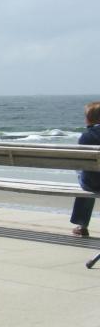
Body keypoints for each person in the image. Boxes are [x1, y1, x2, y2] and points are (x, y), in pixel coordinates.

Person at [70, 101, 100, 237]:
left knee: (85, 174)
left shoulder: (86, 137)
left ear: (88, 119)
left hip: (91, 184)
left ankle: (82, 225)